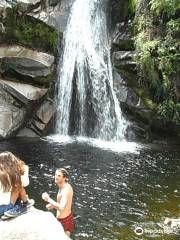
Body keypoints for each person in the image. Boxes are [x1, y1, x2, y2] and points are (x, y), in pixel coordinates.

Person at [0, 151, 34, 218]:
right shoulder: (19, 170)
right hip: (4, 209)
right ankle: (24, 204)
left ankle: (23, 203)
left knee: (17, 185)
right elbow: (25, 184)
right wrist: (24, 170)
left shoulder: (3, 173)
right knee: (18, 186)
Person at [42, 168, 74, 237]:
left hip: (65, 221)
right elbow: (63, 203)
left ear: (64, 178)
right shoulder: (62, 186)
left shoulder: (66, 190)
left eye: (59, 175)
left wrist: (48, 199)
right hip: (64, 219)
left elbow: (62, 207)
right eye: (56, 174)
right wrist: (52, 205)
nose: (56, 177)